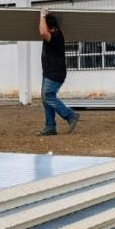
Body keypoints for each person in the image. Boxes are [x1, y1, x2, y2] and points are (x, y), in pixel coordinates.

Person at [38, 8, 79, 136]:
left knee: (48, 96)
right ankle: (50, 126)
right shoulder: (56, 33)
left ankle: (70, 115)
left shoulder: (55, 36)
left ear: (50, 27)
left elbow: (43, 32)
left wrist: (42, 15)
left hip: (54, 73)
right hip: (49, 72)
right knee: (46, 99)